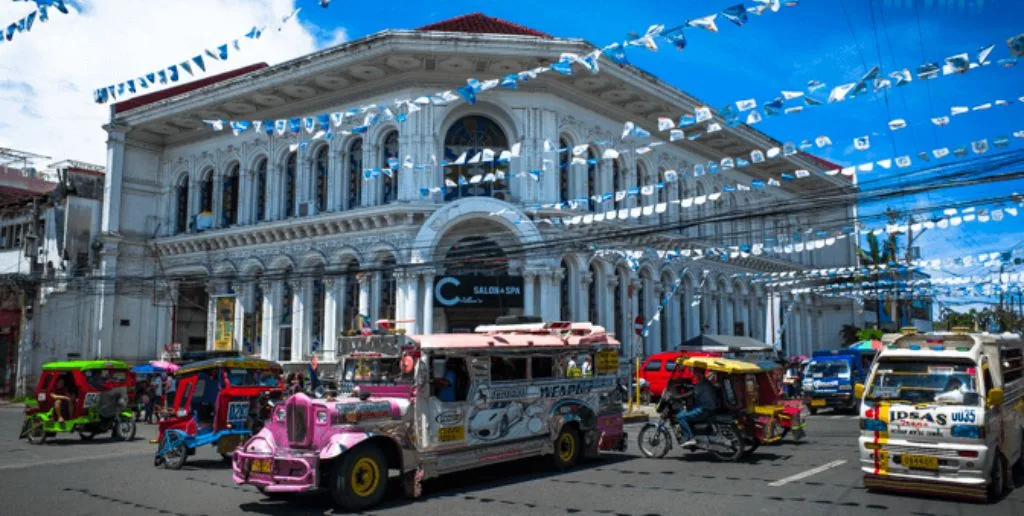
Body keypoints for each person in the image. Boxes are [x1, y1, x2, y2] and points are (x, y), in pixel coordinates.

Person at [676, 366, 718, 447]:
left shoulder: (702, 384)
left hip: (705, 409)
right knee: (688, 410)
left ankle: (690, 438)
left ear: (700, 374)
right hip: (708, 407)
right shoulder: (705, 382)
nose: (694, 375)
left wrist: (678, 397)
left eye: (695, 373)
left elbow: (692, 393)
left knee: (680, 416)